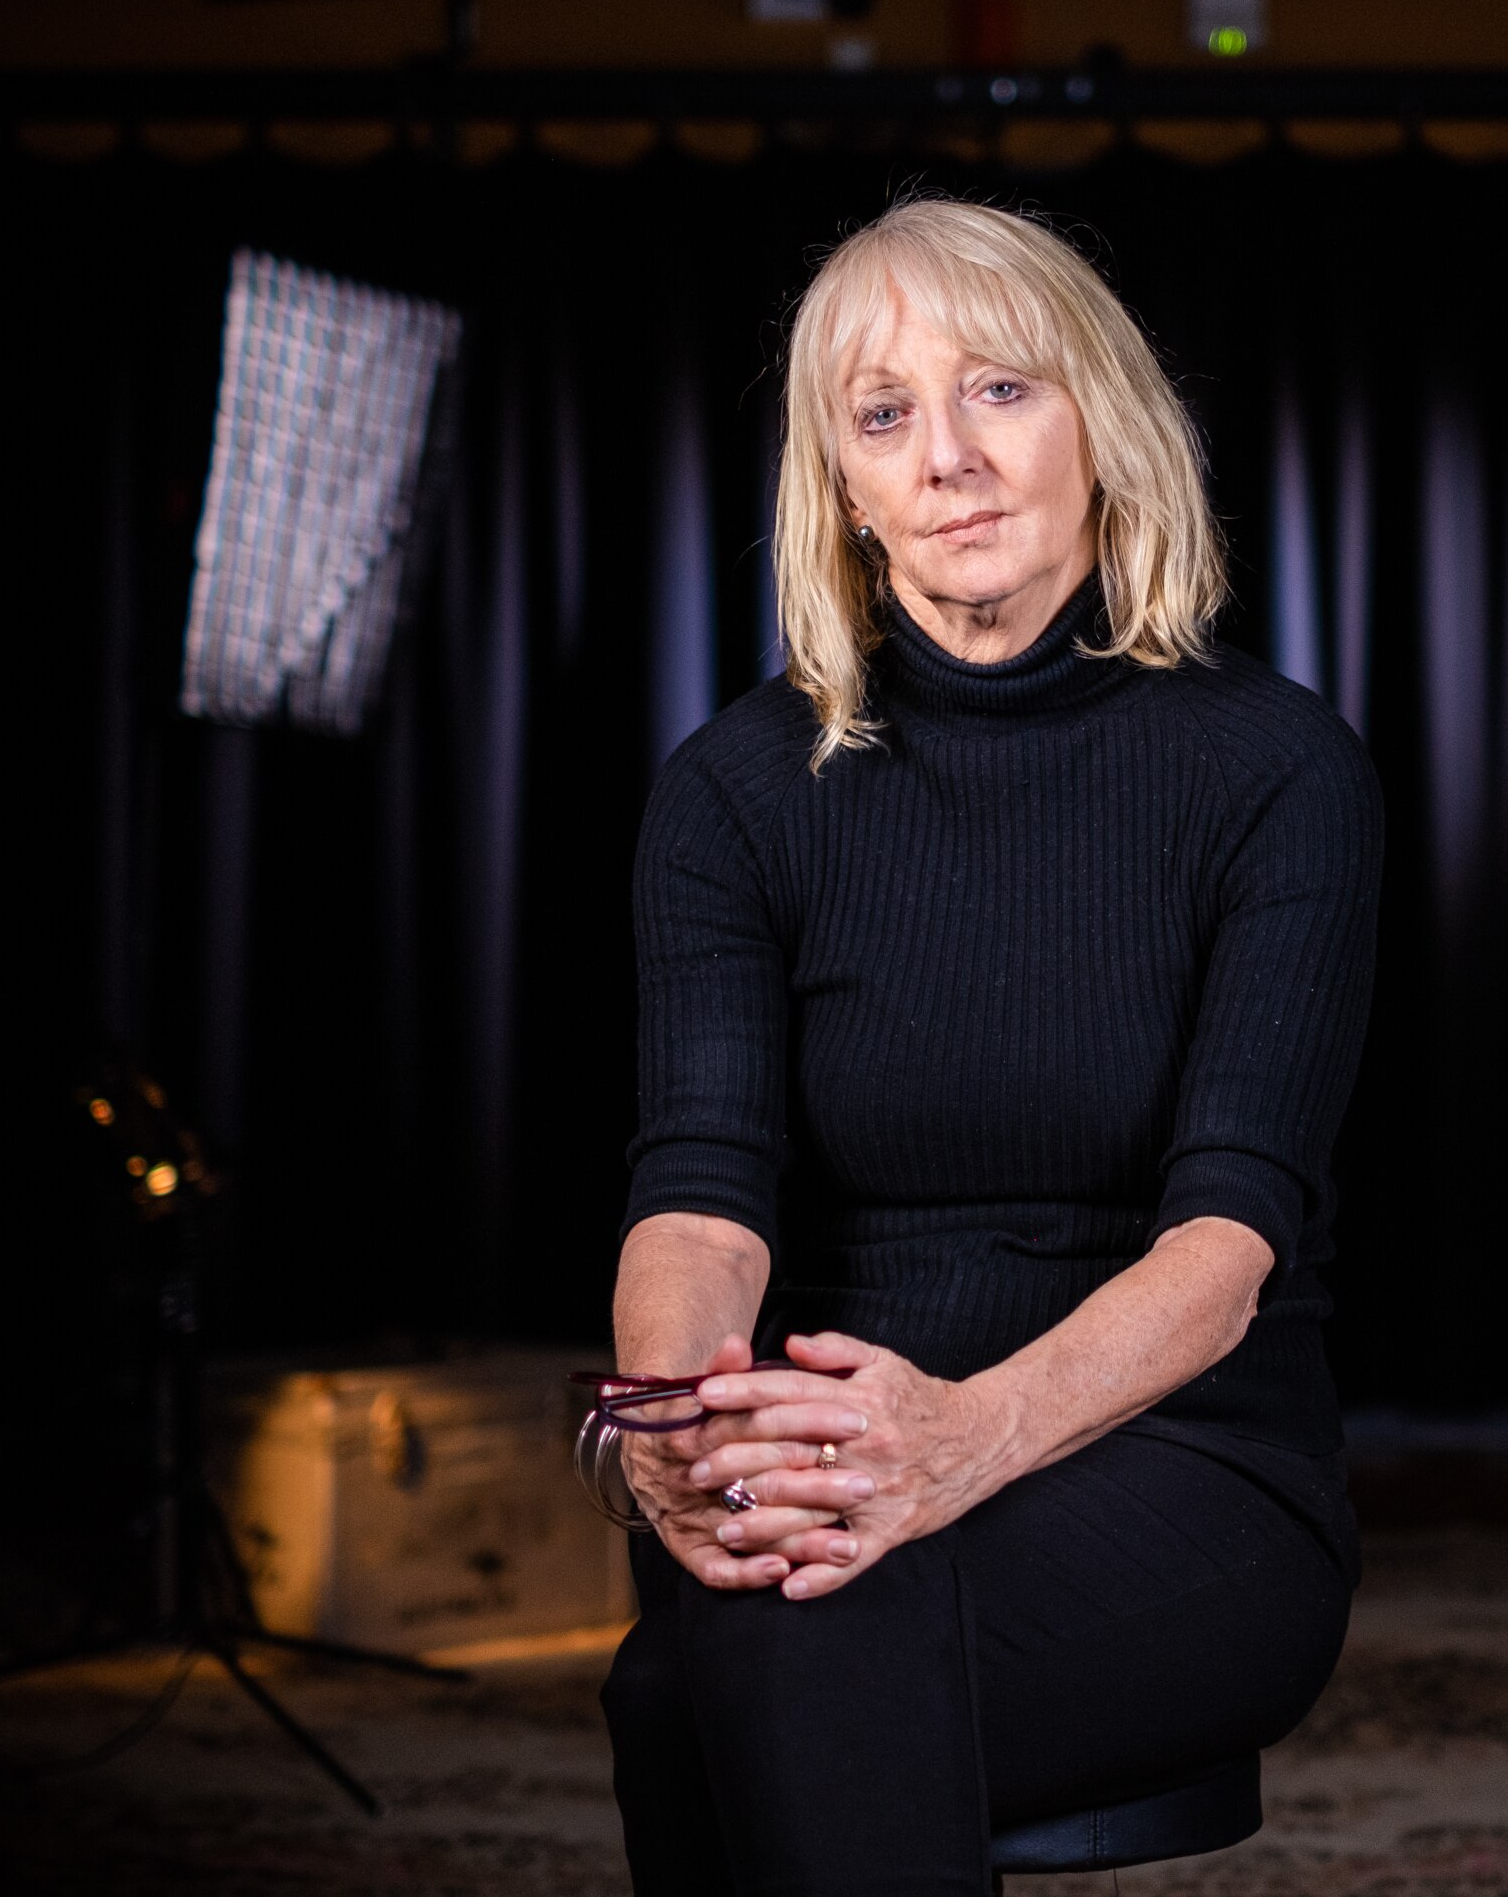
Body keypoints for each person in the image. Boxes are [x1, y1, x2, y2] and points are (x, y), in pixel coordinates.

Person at [598, 197, 1382, 1897]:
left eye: (1001, 389)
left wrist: (958, 1440)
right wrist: (676, 1414)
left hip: (1186, 1463)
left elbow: (1227, 1249)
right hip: (838, 1456)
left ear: (1103, 419)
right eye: (884, 414)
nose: (947, 455)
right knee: (727, 1658)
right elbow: (701, 1194)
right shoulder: (737, 791)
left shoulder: (1276, 769)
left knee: (713, 1687)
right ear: (844, 486)